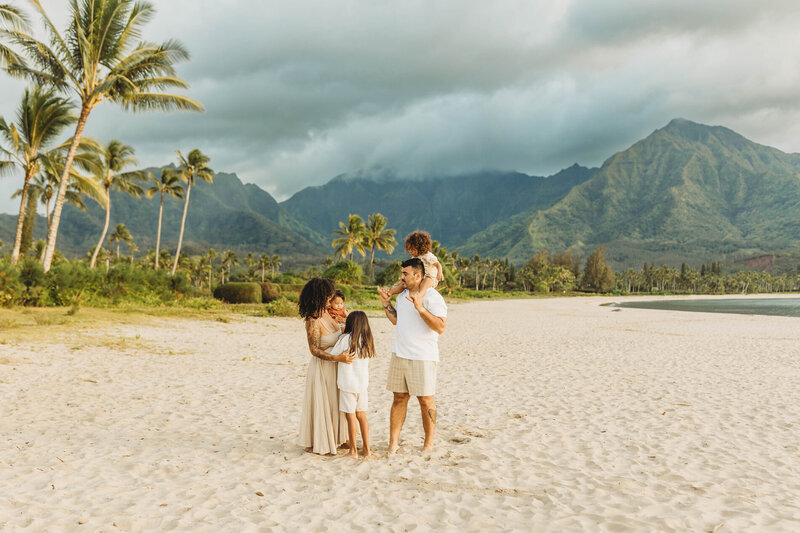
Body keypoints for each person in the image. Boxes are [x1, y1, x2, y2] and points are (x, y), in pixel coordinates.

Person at [378, 258, 447, 454]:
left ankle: (428, 444)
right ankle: (393, 443)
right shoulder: (402, 296)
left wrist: (421, 308)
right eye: (402, 274)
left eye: (405, 274)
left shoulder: (432, 297)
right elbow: (396, 321)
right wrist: (386, 304)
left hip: (423, 357)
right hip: (399, 354)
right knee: (398, 398)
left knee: (426, 400)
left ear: (418, 275)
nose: (401, 278)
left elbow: (440, 327)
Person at [298, 278, 355, 455]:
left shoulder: (330, 313)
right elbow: (314, 349)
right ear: (321, 295)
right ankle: (321, 440)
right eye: (328, 293)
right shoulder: (313, 318)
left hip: (337, 364)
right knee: (325, 403)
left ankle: (340, 438)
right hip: (324, 366)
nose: (331, 296)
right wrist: (336, 357)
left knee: (337, 402)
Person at [330, 311, 376, 459]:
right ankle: (367, 449)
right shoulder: (367, 340)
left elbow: (334, 356)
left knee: (350, 417)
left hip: (347, 384)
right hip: (362, 384)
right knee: (362, 415)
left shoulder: (345, 339)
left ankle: (353, 451)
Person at [380, 230, 444, 300]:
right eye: (409, 249)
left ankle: (419, 295)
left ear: (420, 247)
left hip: (429, 277)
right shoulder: (414, 258)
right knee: (403, 283)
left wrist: (439, 273)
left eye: (412, 249)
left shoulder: (427, 255)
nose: (410, 251)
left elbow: (437, 264)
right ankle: (390, 292)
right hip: (418, 277)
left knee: (426, 282)